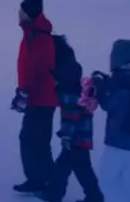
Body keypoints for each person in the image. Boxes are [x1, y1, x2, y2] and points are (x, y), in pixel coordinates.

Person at [41, 35, 104, 202]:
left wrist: (67, 135)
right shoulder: (70, 66)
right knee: (79, 165)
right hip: (82, 131)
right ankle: (93, 196)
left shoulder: (65, 74)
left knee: (68, 164)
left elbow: (71, 110)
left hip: (76, 134)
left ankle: (55, 195)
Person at [15, 0, 60, 194]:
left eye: (21, 11)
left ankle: (38, 179)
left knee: (30, 139)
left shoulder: (39, 37)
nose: (18, 14)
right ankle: (49, 178)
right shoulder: (33, 34)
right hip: (40, 97)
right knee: (39, 140)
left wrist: (25, 91)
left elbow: (39, 70)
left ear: (29, 14)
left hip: (40, 99)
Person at [94, 40, 130, 202]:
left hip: (120, 140)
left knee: (105, 180)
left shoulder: (123, 81)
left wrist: (101, 88)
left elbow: (110, 104)